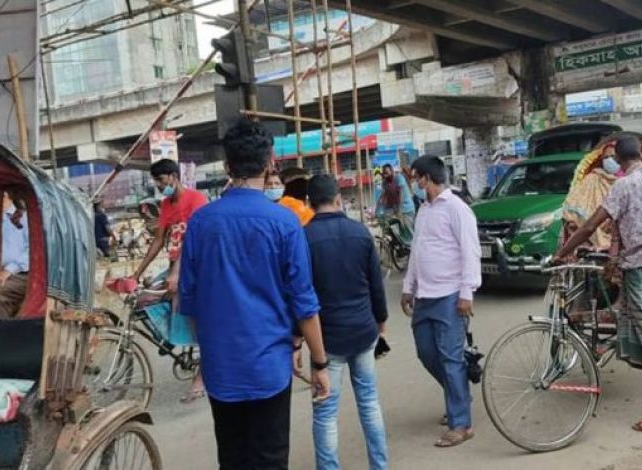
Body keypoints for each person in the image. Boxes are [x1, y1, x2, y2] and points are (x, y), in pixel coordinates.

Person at [179, 117, 330, 469]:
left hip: (221, 371)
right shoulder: (285, 222)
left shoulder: (201, 223)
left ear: (228, 166)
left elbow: (189, 299)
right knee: (270, 460)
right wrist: (319, 362)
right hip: (269, 368)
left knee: (232, 460)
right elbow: (304, 303)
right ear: (269, 165)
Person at [553, 134, 642, 434]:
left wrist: (560, 253)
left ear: (620, 159)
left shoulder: (623, 186)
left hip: (640, 266)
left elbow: (590, 225)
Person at [303, 175, 389, 470]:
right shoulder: (360, 232)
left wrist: (297, 339)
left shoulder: (303, 239)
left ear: (308, 204)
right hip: (364, 332)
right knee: (369, 402)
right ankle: (380, 465)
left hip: (327, 343)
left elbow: (301, 296)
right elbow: (376, 285)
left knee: (325, 413)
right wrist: (381, 322)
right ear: (339, 198)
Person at [400, 156, 481, 448]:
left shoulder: (457, 209)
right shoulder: (423, 211)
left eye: (416, 178)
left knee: (450, 357)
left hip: (450, 296)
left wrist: (466, 292)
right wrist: (408, 287)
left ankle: (461, 423)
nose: (415, 184)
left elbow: (470, 251)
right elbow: (417, 251)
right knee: (426, 352)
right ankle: (458, 394)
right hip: (424, 296)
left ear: (426, 178)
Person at [130, 158, 208, 404]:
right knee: (144, 298)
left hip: (196, 266)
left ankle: (201, 376)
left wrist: (177, 273)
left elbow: (193, 240)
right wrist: (137, 272)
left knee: (199, 318)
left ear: (174, 177)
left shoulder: (197, 200)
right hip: (175, 265)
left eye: (162, 181)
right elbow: (158, 241)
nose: (160, 185)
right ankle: (174, 339)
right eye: (157, 182)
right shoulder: (165, 205)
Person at [562, 144, 621, 251]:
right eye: (606, 158)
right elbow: (575, 204)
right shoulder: (592, 178)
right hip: (592, 233)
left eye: (613, 156)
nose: (610, 160)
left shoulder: (629, 180)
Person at [0, 191, 29, 319]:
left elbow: (32, 250)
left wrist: (9, 269)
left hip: (21, 273)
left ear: (8, 196)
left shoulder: (23, 218)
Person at [377, 164, 416, 229]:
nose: (385, 175)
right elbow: (384, 196)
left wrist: (399, 210)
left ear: (392, 171)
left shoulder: (399, 178)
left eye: (386, 173)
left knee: (408, 231)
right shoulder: (385, 183)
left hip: (406, 209)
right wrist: (379, 210)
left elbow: (401, 194)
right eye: (383, 174)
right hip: (396, 210)